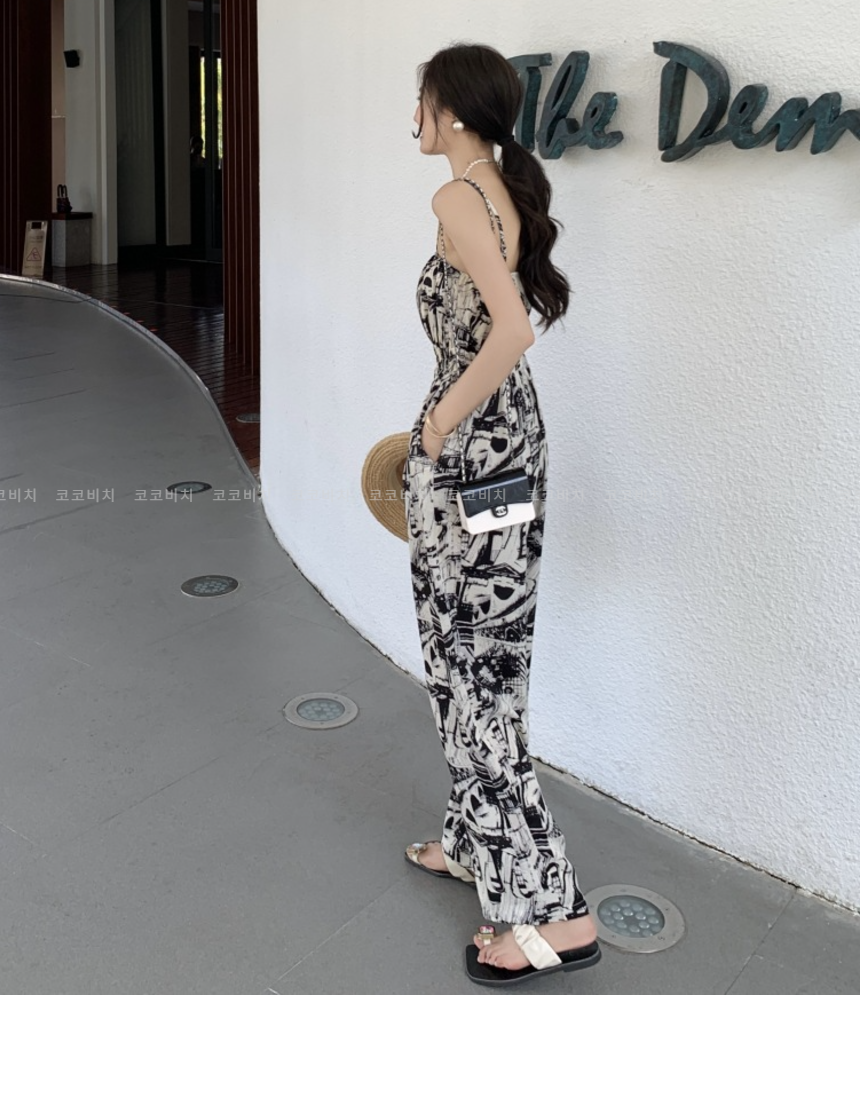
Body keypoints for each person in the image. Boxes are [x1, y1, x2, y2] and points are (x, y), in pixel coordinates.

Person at [401, 42, 601, 987]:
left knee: (472, 668)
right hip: (508, 447)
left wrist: (438, 424)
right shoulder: (501, 190)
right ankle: (472, 836)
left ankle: (553, 910)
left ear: (452, 110)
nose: (413, 118)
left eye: (422, 101)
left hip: (474, 449)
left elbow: (512, 329)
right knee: (476, 654)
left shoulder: (457, 197)